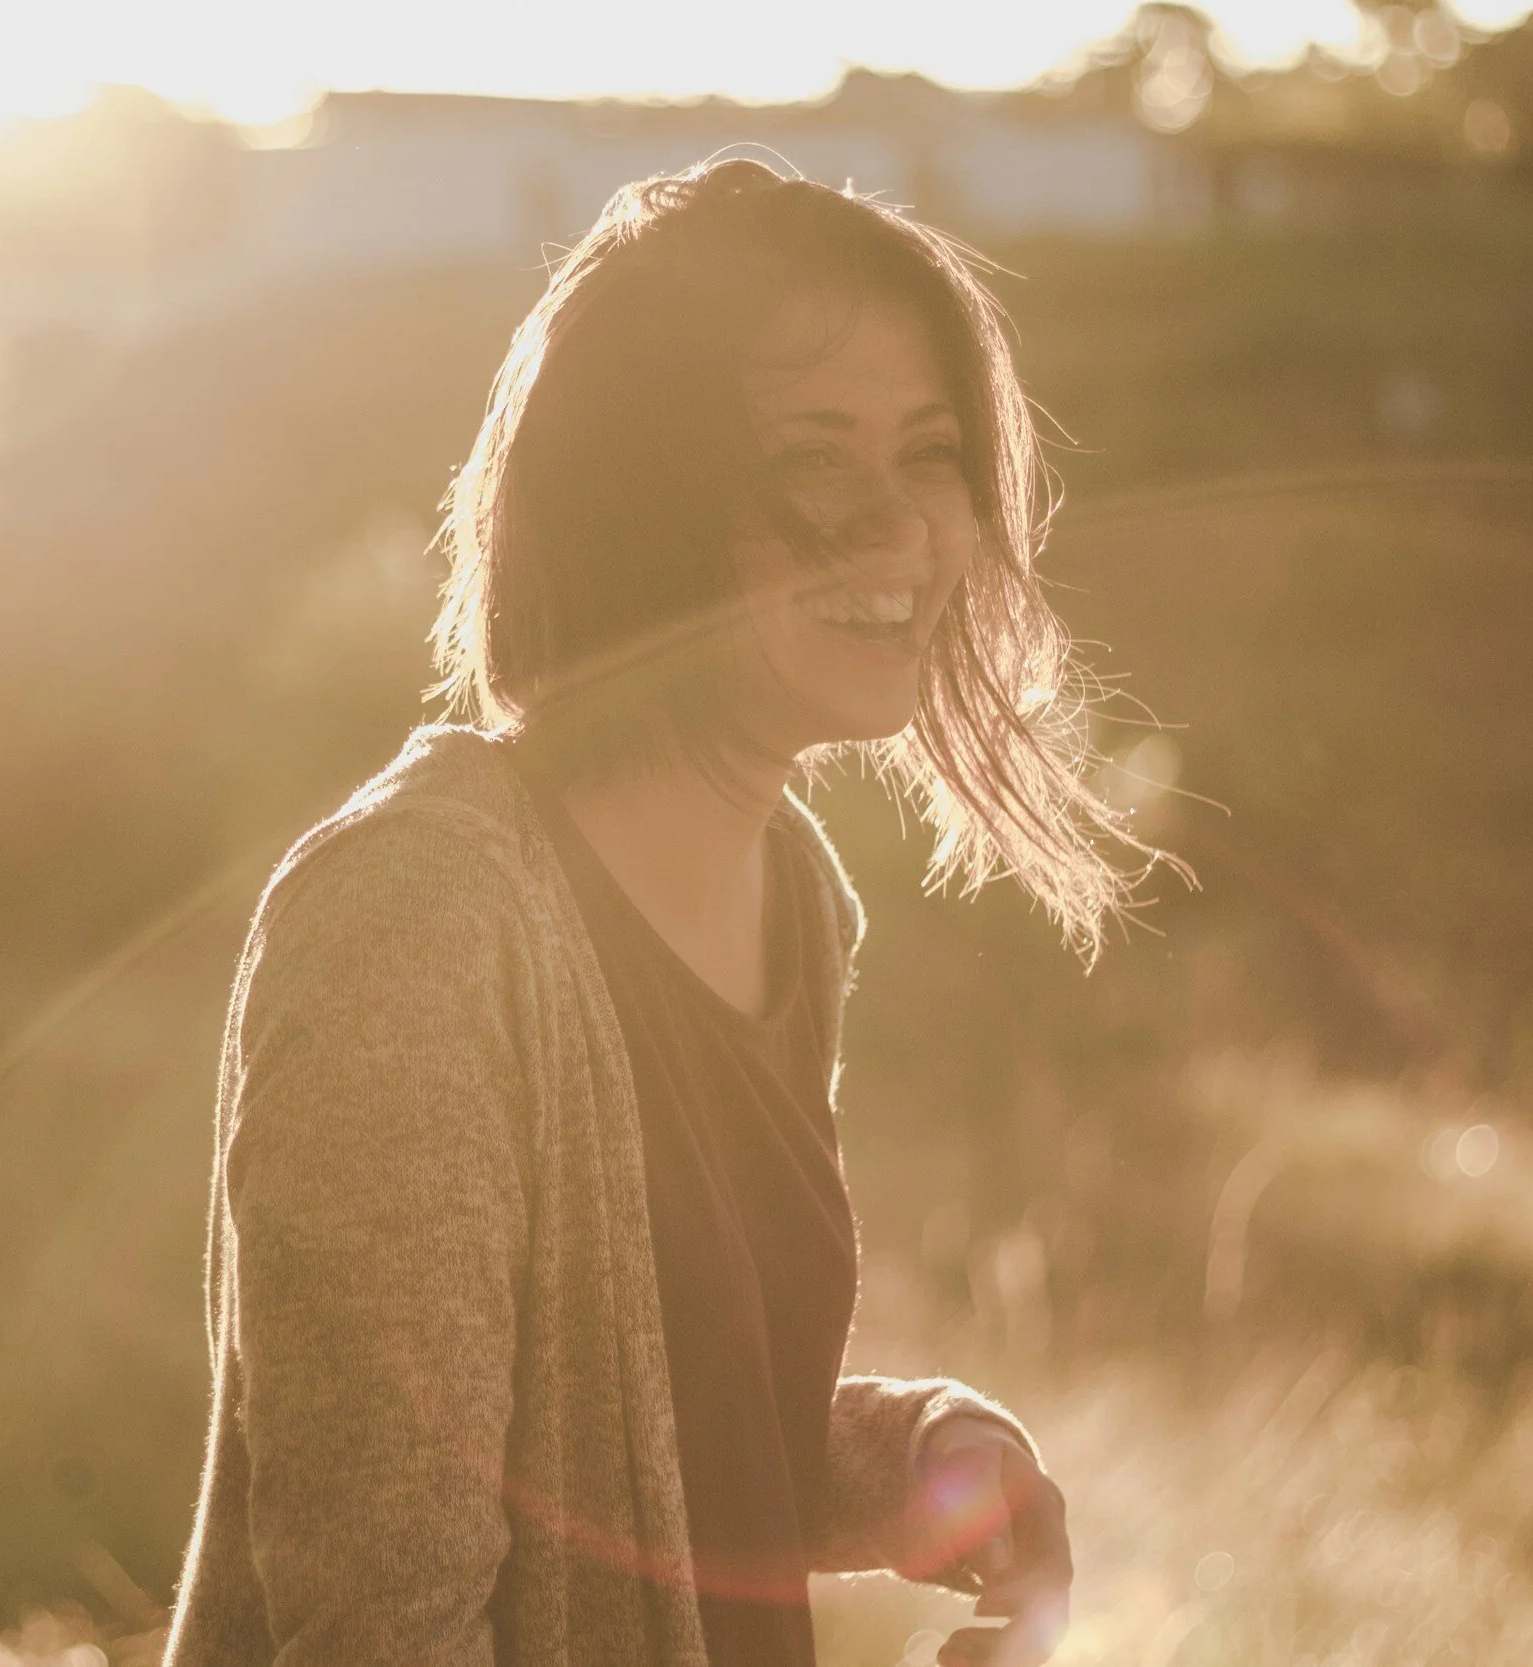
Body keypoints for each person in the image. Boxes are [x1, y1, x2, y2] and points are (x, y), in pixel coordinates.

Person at [163, 158, 1159, 1667]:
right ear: (640, 497)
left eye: (932, 452)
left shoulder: (796, 897)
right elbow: (386, 1623)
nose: (899, 530)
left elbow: (638, 1435)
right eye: (810, 459)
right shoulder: (417, 925)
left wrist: (912, 1459)